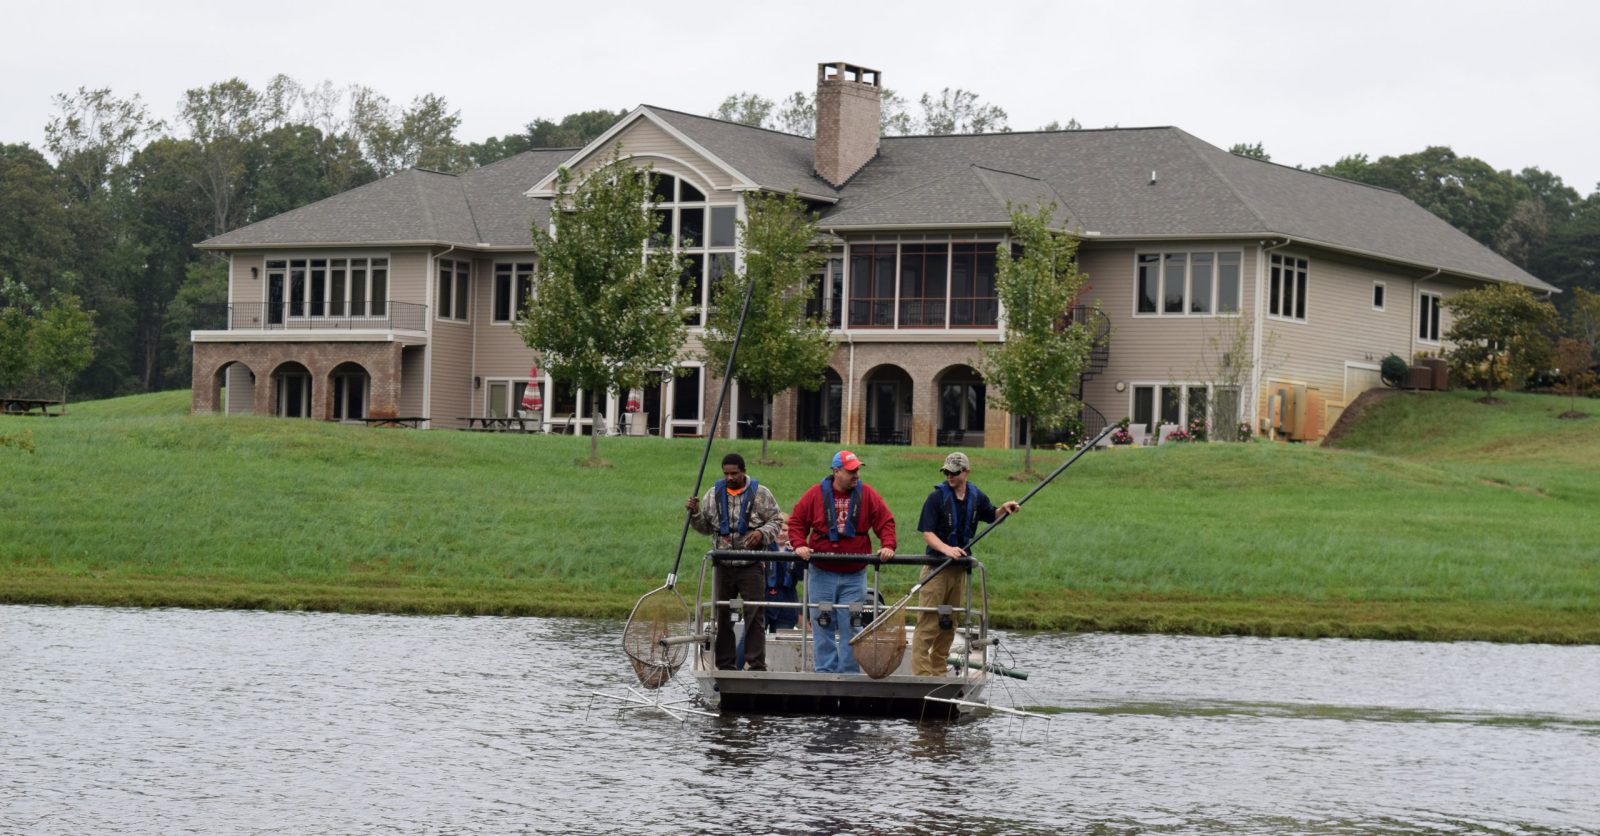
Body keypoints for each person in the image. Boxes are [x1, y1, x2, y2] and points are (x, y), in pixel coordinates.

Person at [787, 450, 896, 674]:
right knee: (822, 622)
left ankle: (849, 674)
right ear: (836, 471)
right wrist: (799, 544)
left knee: (852, 625)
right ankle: (825, 672)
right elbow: (797, 521)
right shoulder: (815, 494)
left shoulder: (867, 494)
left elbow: (885, 521)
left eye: (857, 470)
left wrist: (888, 545)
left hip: (854, 575)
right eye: (851, 471)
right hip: (821, 573)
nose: (856, 474)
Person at [912, 451, 1020, 677]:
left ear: (966, 472)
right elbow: (927, 533)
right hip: (936, 569)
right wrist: (946, 550)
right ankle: (922, 676)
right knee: (928, 623)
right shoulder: (936, 498)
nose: (950, 476)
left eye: (954, 472)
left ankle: (938, 672)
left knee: (949, 623)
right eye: (947, 472)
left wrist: (1005, 509)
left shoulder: (976, 496)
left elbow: (992, 516)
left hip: (958, 572)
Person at [687, 452, 784, 671]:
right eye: (726, 474)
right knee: (722, 615)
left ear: (744, 471)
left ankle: (756, 664)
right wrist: (694, 515)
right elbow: (705, 527)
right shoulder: (713, 495)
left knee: (754, 615)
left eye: (735, 473)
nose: (730, 477)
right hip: (723, 565)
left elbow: (777, 521)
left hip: (752, 565)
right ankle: (725, 665)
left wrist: (761, 533)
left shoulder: (761, 493)